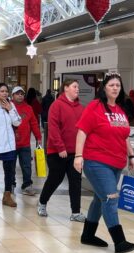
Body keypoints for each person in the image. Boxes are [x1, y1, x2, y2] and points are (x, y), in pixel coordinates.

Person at [74, 72, 134, 253]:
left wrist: (131, 156)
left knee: (99, 198)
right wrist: (78, 156)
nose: (115, 88)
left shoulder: (119, 110)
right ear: (104, 88)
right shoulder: (95, 107)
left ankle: (88, 235)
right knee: (110, 198)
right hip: (96, 161)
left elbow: (124, 136)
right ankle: (120, 242)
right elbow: (82, 132)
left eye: (118, 85)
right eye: (111, 85)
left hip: (117, 163)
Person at [37, 79, 85, 222]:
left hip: (75, 153)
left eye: (78, 87)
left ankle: (76, 212)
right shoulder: (56, 105)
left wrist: (81, 151)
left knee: (76, 181)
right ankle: (42, 203)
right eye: (74, 86)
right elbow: (53, 128)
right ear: (66, 88)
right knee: (55, 179)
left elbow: (83, 130)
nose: (77, 89)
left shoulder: (80, 108)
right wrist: (60, 147)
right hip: (57, 152)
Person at [11, 86, 42, 196]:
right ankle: (11, 185)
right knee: (11, 166)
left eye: (22, 94)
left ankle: (27, 185)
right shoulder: (8, 107)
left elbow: (34, 123)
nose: (20, 95)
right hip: (11, 144)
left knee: (27, 165)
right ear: (13, 95)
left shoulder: (28, 108)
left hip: (25, 144)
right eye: (17, 93)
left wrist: (38, 137)